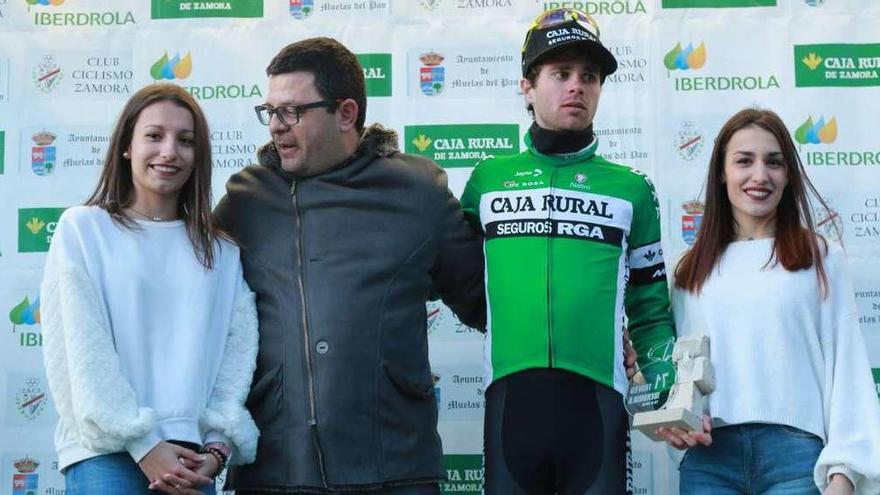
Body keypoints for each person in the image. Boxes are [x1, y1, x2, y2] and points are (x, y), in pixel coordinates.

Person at [213, 37, 485, 494]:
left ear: (346, 113)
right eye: (270, 111)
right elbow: (188, 307)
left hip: (394, 469)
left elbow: (491, 302)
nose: (276, 127)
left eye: (293, 111)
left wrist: (591, 336)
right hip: (276, 470)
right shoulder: (244, 201)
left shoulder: (418, 192)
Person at [460, 8, 675, 495]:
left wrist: (662, 383)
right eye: (560, 73)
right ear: (528, 85)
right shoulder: (487, 179)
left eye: (590, 76)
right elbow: (454, 273)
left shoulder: (632, 189)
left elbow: (649, 306)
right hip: (511, 401)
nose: (577, 86)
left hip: (597, 404)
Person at [40, 83, 260, 495]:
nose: (170, 151)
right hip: (106, 457)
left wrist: (217, 449)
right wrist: (143, 444)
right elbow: (81, 352)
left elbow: (236, 357)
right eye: (154, 136)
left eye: (186, 140)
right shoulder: (84, 230)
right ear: (127, 145)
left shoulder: (222, 250)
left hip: (192, 462)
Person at [658, 108, 880, 495]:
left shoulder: (820, 255)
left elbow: (847, 364)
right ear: (721, 173)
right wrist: (671, 420)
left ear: (788, 174)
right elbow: (670, 371)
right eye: (744, 161)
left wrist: (844, 472)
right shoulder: (687, 270)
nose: (760, 175)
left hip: (797, 459)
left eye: (773, 162)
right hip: (708, 463)